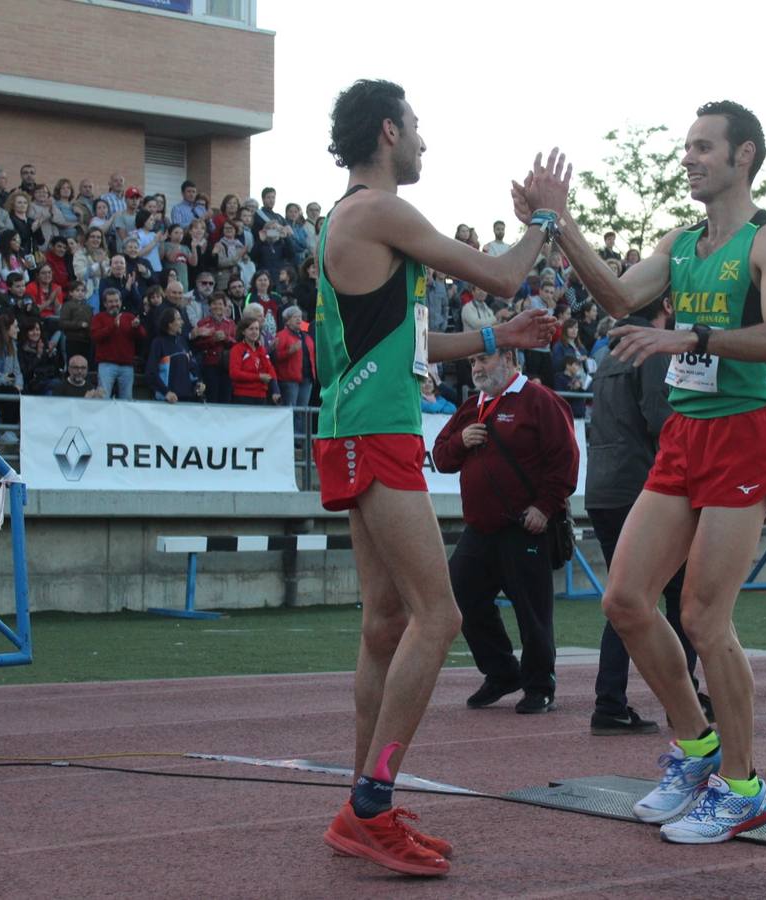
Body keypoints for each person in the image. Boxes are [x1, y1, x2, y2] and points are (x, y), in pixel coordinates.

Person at [313, 79, 566, 876]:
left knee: (387, 624)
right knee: (439, 617)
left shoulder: (350, 218)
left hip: (354, 429)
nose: (424, 143)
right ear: (389, 131)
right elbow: (498, 273)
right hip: (375, 433)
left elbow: (411, 346)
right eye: (416, 129)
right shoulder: (379, 210)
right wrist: (546, 221)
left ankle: (363, 799)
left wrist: (501, 334)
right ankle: (371, 804)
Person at [539, 100, 766, 844]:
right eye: (686, 148)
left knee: (705, 620)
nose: (689, 158)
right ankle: (696, 747)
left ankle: (744, 788)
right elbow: (620, 295)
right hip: (686, 432)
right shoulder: (680, 240)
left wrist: (696, 334)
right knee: (624, 598)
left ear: (743, 156)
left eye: (704, 148)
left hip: (747, 433)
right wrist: (559, 225)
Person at [582, 295, 709, 734]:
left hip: (602, 484)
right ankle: (682, 700)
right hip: (640, 484)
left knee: (626, 597)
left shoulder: (607, 355)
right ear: (667, 308)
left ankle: (612, 700)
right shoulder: (651, 349)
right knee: (675, 595)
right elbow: (662, 418)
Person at [432, 346, 578, 713]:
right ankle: (501, 672)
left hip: (523, 527)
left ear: (510, 359)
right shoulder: (471, 407)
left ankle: (540, 685)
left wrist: (545, 508)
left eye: (484, 360)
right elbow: (441, 457)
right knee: (460, 595)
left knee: (532, 611)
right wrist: (460, 442)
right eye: (472, 362)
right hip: (480, 528)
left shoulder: (541, 400)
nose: (477, 368)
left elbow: (566, 460)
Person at [91, 287, 144, 400]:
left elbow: (142, 336)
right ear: (105, 303)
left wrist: (137, 327)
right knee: (102, 398)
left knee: (127, 400)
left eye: (116, 301)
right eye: (110, 301)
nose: (114, 304)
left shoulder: (129, 317)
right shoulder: (98, 318)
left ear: (120, 302)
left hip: (127, 366)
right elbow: (95, 337)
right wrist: (112, 327)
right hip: (106, 365)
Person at [145, 305, 204, 403]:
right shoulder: (158, 343)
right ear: (169, 323)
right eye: (179, 319)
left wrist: (198, 383)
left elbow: (191, 368)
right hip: (167, 401)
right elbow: (151, 373)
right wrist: (166, 392)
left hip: (187, 398)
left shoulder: (182, 342)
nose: (182, 322)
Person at [227, 314, 278, 405]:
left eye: (257, 329)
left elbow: (270, 369)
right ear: (243, 332)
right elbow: (234, 373)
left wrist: (275, 390)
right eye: (251, 329)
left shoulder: (261, 349)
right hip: (243, 396)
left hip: (261, 396)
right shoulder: (237, 349)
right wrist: (259, 377)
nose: (254, 332)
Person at [272, 305, 315, 411]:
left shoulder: (307, 336)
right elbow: (275, 358)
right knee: (291, 412)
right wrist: (289, 352)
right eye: (295, 317)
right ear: (287, 321)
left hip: (307, 379)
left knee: (303, 412)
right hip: (290, 381)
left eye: (300, 317)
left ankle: (300, 429)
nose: (299, 319)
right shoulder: (281, 336)